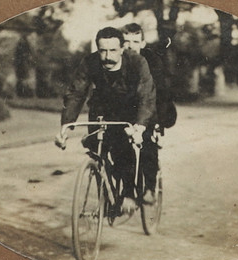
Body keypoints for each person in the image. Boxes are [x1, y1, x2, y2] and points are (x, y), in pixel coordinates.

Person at [57, 26, 156, 218]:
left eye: (113, 51)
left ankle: (128, 193)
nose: (107, 56)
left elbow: (146, 96)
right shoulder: (90, 62)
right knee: (95, 146)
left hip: (129, 109)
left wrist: (140, 126)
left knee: (124, 149)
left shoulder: (137, 62)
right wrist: (65, 127)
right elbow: (76, 93)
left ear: (122, 49)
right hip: (102, 108)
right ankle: (108, 192)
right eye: (103, 50)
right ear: (97, 49)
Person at [121, 23, 175, 205]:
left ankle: (150, 189)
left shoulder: (152, 61)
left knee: (147, 143)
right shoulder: (116, 60)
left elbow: (160, 95)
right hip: (126, 111)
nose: (130, 46)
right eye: (126, 41)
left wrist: (158, 125)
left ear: (143, 43)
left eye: (135, 41)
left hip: (150, 109)